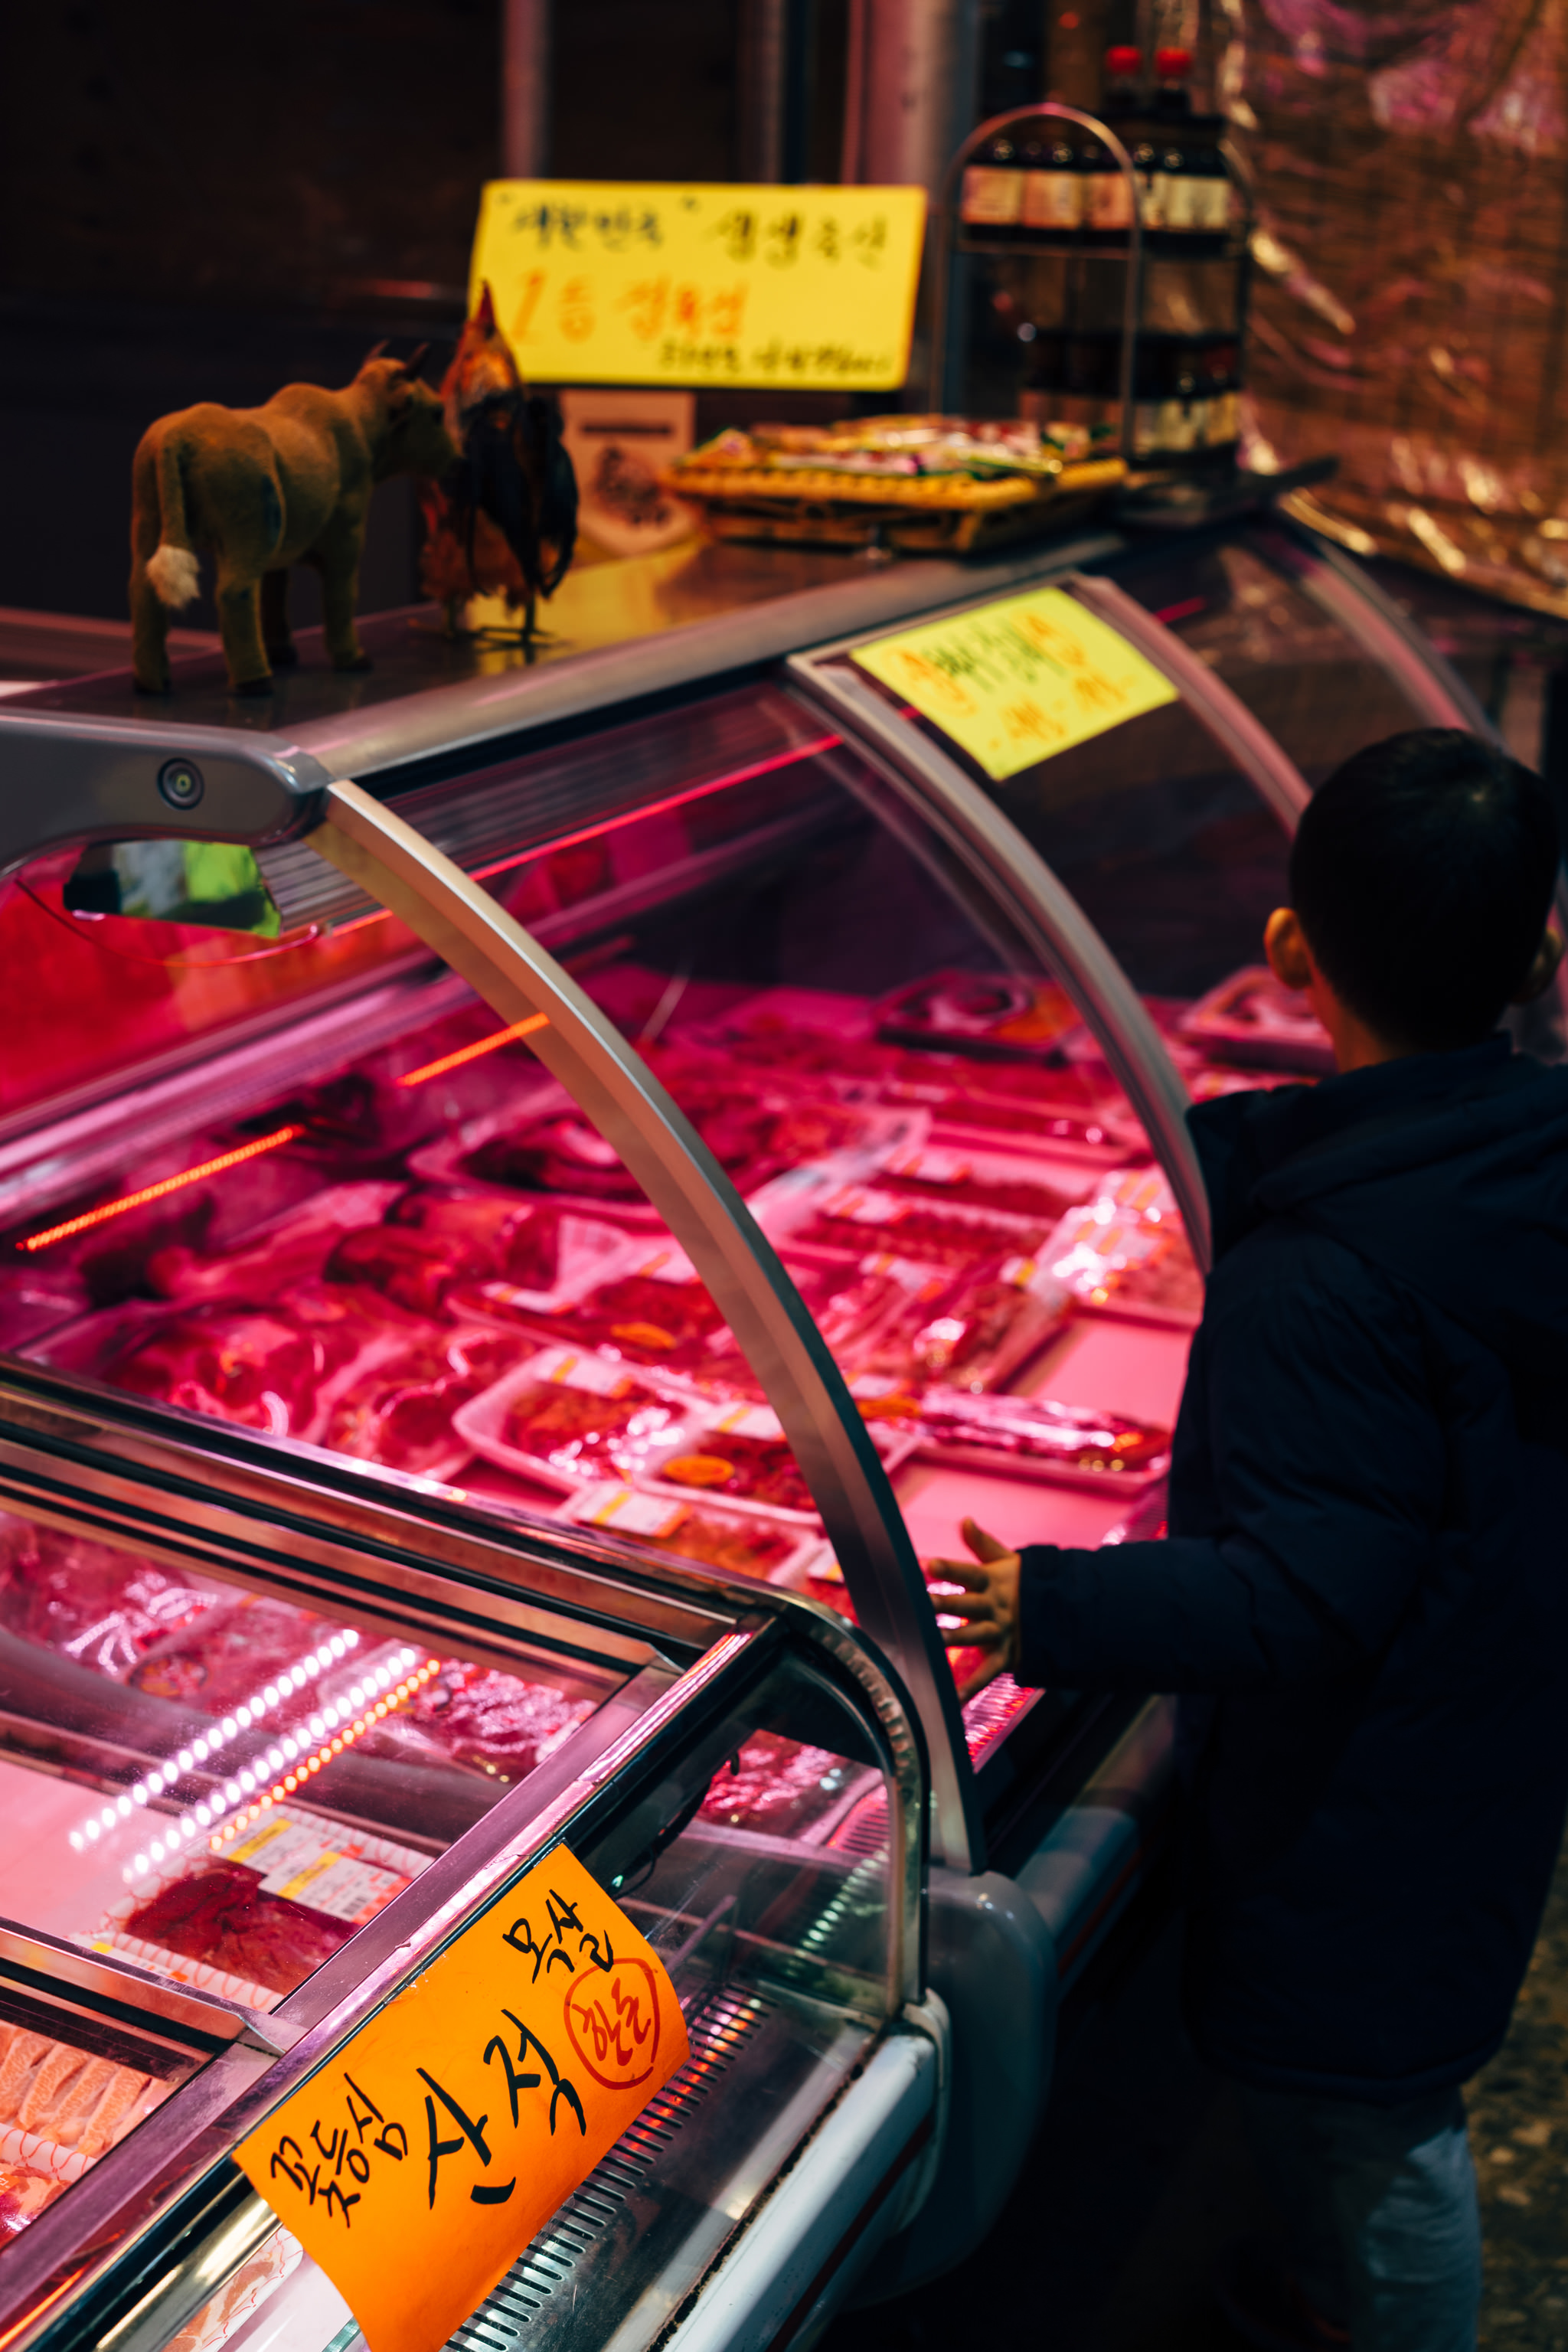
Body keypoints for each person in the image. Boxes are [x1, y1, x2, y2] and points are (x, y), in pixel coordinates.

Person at [931, 730, 1568, 2352]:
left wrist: (1053, 1603)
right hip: (1480, 1724)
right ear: (1544, 956)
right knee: (1368, 2110)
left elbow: (1308, 1590)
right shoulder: (1519, 1152)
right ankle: (1322, 2298)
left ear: (1288, 953)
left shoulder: (1323, 1271)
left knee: (1372, 2134)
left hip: (1373, 1809)